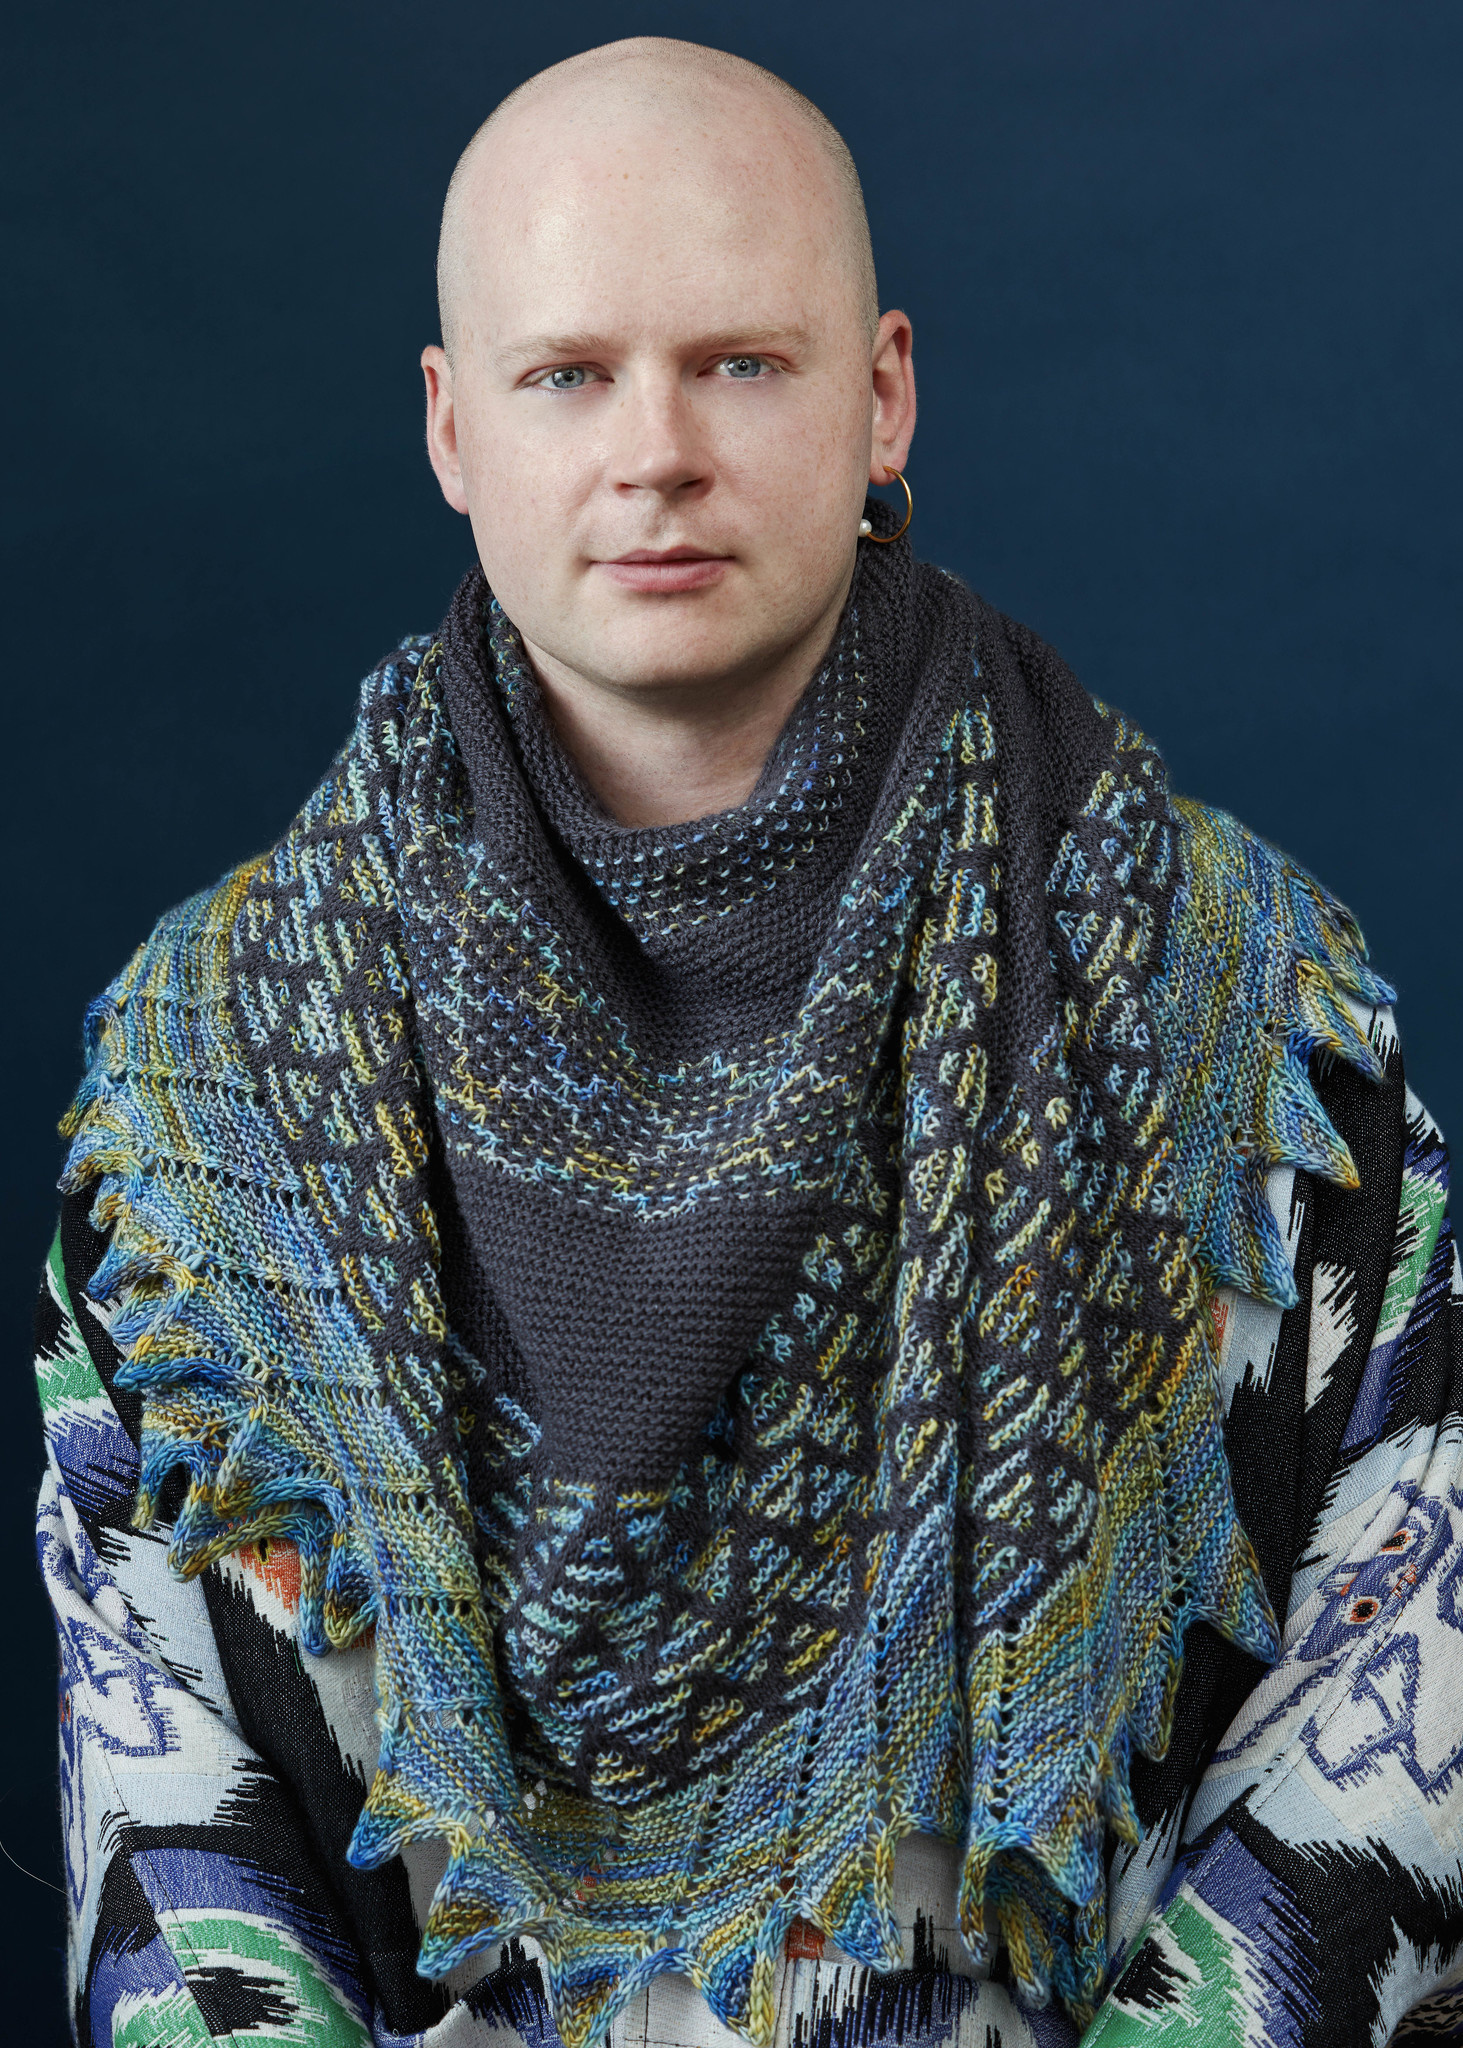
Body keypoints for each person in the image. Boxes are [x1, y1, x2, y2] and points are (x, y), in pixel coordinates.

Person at [35, 35, 1461, 2048]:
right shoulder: (212, 1091)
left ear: (884, 393)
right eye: (566, 375)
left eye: (740, 363)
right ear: (451, 427)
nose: (657, 453)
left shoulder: (1234, 1008)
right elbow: (179, 1864)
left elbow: (1397, 1719)